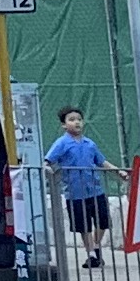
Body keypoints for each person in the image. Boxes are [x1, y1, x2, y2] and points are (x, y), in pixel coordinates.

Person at [46, 108, 110, 267]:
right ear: (64, 125)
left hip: (95, 189)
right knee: (84, 226)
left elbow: (101, 161)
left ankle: (96, 246)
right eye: (72, 119)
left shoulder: (90, 144)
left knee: (103, 221)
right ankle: (91, 254)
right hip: (75, 192)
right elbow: (48, 161)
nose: (77, 122)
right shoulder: (61, 143)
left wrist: (119, 172)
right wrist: (50, 172)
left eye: (79, 119)